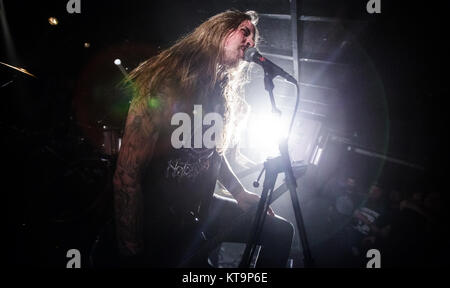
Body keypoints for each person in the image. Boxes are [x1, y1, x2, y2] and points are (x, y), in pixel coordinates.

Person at [112, 10, 294, 268]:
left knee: (280, 233)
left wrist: (239, 192)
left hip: (200, 207)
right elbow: (126, 175)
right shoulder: (166, 81)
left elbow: (211, 152)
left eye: (253, 39)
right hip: (161, 215)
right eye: (245, 31)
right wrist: (130, 249)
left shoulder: (218, 90)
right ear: (219, 30)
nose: (251, 43)